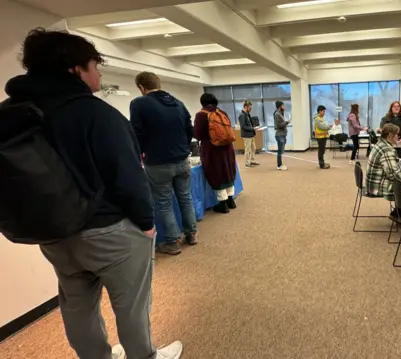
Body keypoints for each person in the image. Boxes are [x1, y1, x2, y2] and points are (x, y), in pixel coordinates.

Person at [1, 29, 182, 359]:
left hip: (53, 231)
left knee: (77, 305)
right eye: (94, 65)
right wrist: (146, 224)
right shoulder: (95, 113)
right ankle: (145, 356)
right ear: (74, 69)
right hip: (109, 231)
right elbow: (128, 177)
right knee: (131, 304)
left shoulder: (11, 114)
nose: (99, 72)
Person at [131, 71, 198, 256]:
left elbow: (137, 133)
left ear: (141, 88)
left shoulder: (139, 103)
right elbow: (188, 129)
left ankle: (172, 242)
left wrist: (139, 154)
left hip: (158, 162)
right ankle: (191, 234)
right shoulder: (178, 103)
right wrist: (183, 148)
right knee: (186, 198)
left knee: (163, 203)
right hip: (182, 159)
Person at [366, 124, 401, 220]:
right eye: (397, 135)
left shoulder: (380, 144)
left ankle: (398, 212)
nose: (398, 137)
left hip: (372, 183)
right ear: (390, 135)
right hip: (377, 186)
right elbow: (393, 174)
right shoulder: (387, 150)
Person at [194, 94, 238, 214]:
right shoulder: (222, 112)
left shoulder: (201, 115)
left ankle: (222, 204)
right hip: (227, 147)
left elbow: (198, 135)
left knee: (216, 172)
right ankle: (231, 200)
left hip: (212, 149)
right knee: (228, 170)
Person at [239, 100, 260, 168]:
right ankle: (247, 163)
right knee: (248, 149)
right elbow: (243, 126)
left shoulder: (247, 114)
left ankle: (252, 160)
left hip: (250, 134)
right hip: (246, 135)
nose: (251, 109)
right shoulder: (242, 115)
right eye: (250, 108)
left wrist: (254, 127)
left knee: (253, 148)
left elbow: (250, 124)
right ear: (246, 107)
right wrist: (253, 129)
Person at [313, 105, 331, 169]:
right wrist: (329, 127)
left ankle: (322, 162)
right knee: (321, 151)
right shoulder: (318, 119)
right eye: (323, 111)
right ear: (320, 111)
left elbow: (324, 126)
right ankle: (322, 164)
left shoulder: (321, 118)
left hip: (323, 136)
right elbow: (323, 127)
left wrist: (327, 127)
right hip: (320, 137)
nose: (324, 113)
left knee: (322, 151)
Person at [274, 100, 290, 171]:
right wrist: (286, 122)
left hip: (283, 134)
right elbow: (278, 126)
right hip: (279, 135)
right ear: (280, 107)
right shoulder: (277, 114)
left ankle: (280, 164)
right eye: (283, 106)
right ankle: (279, 165)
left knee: (281, 150)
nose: (284, 107)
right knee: (280, 151)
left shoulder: (280, 113)